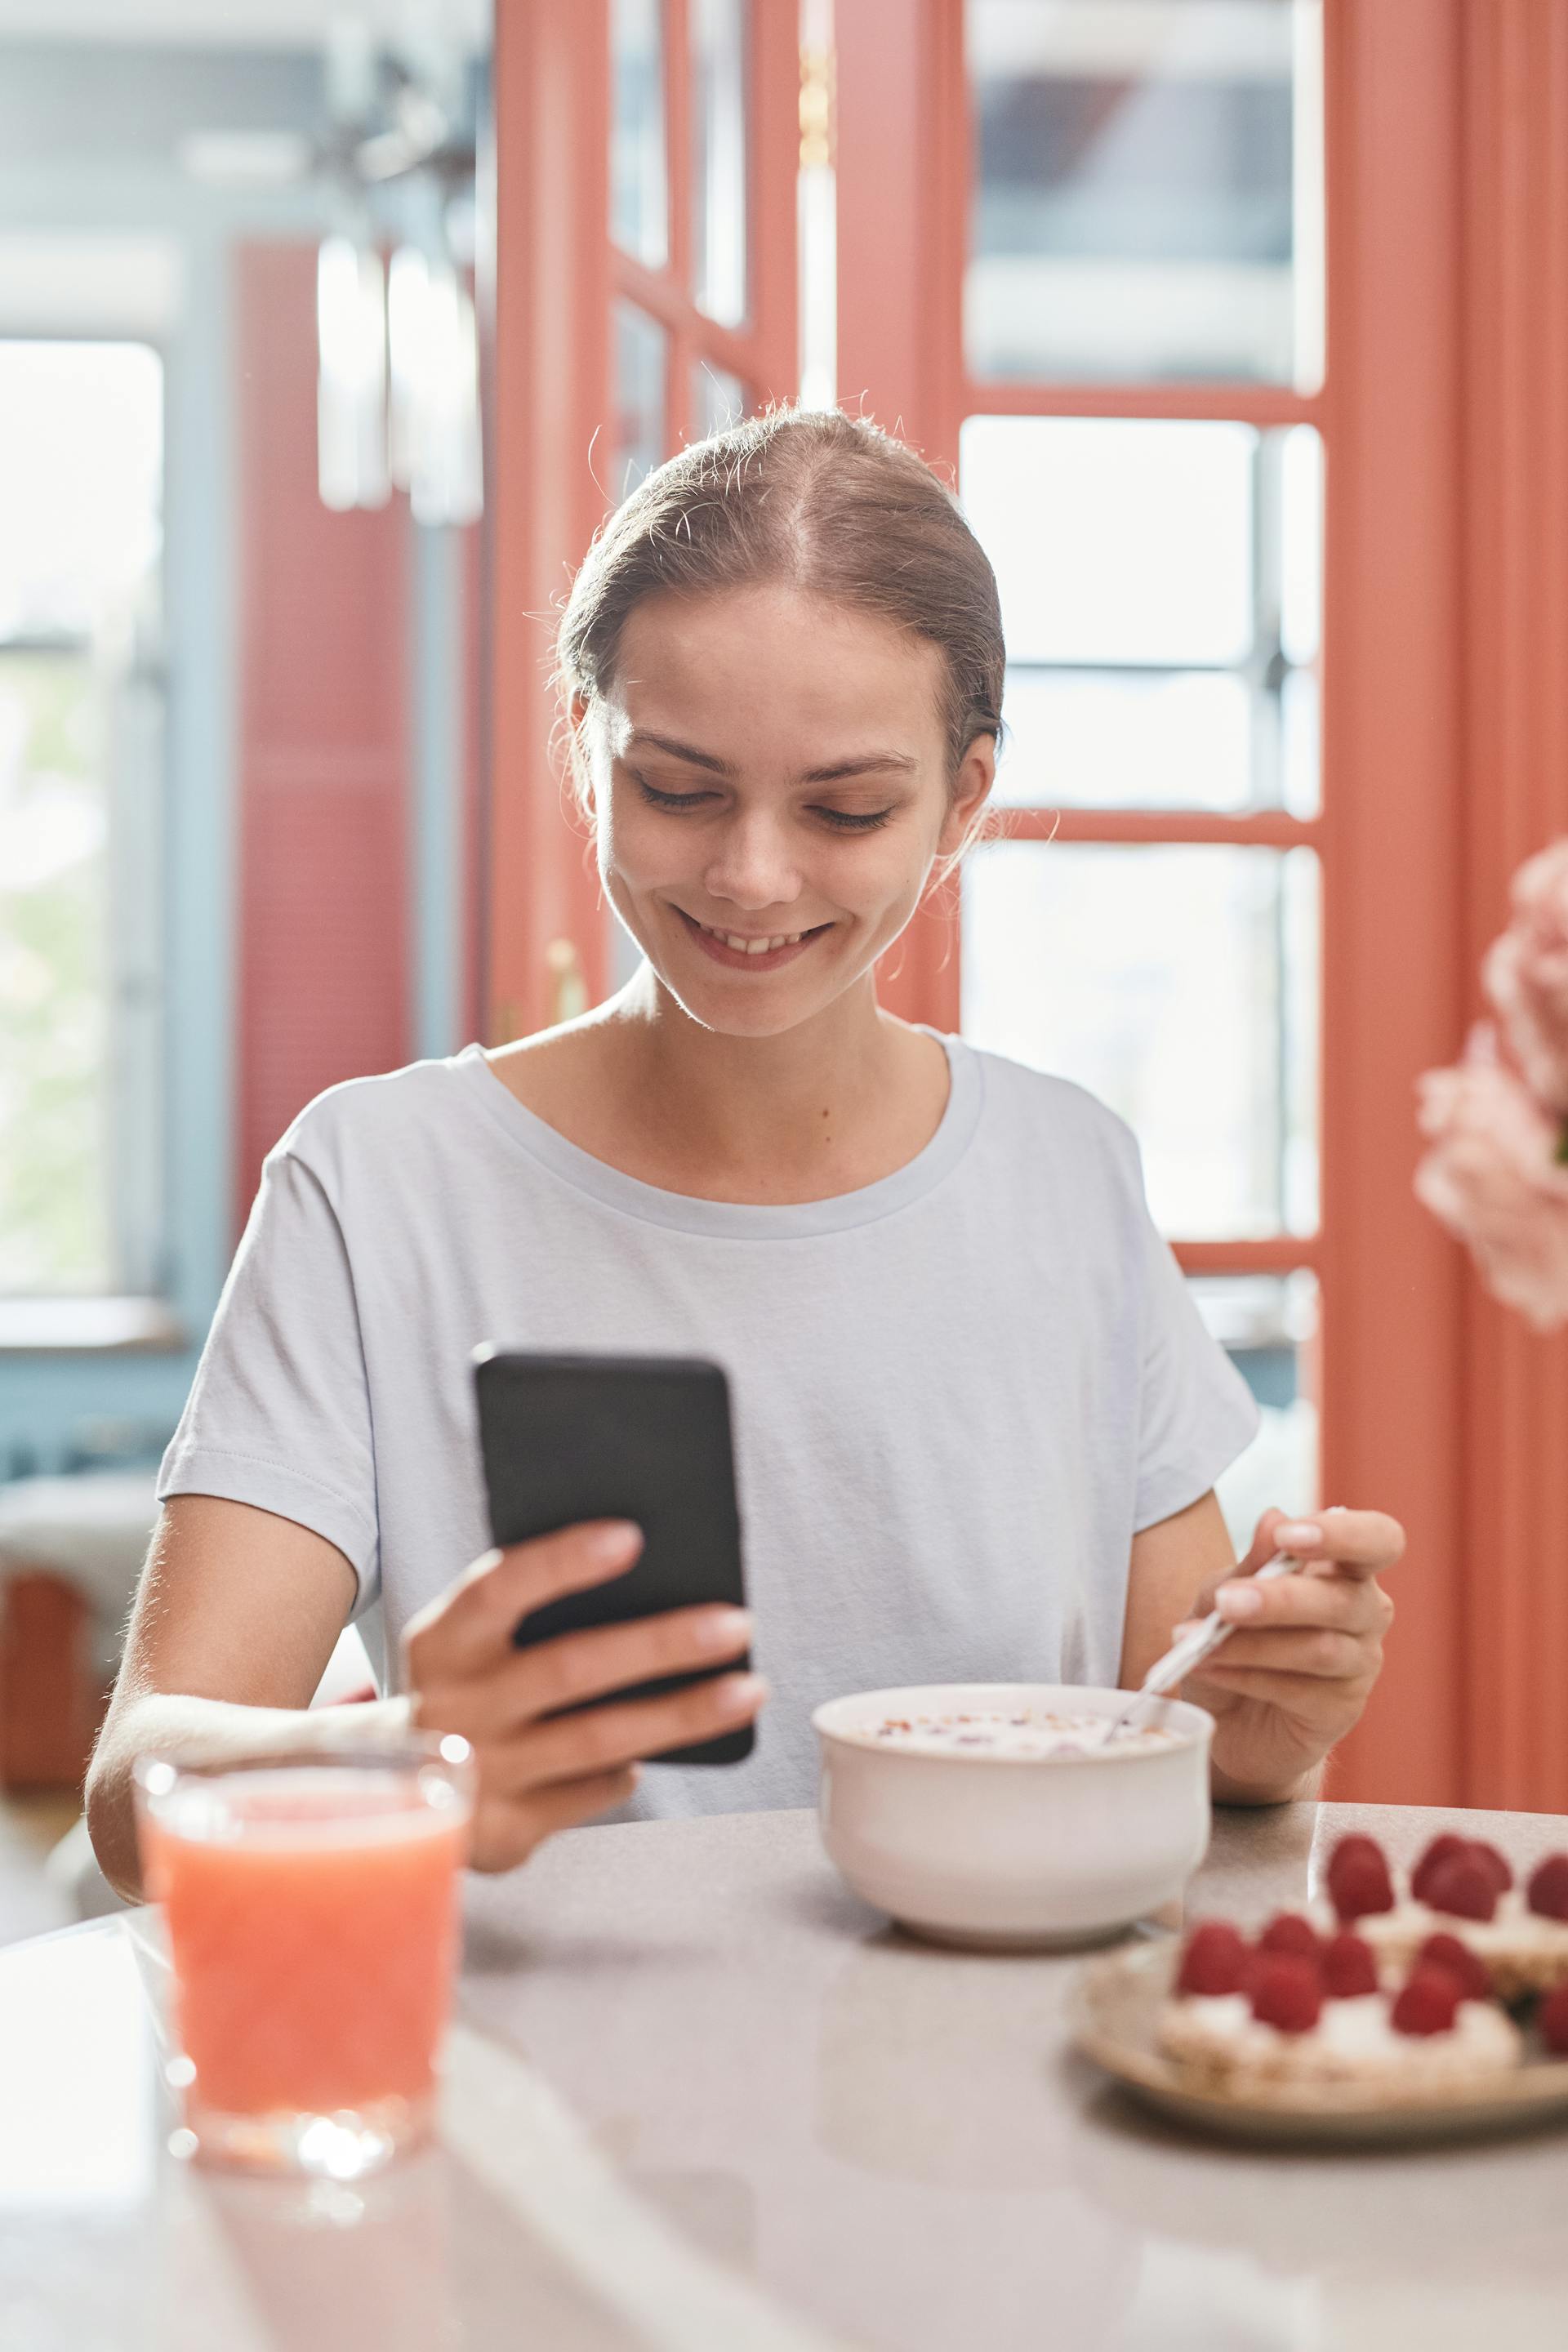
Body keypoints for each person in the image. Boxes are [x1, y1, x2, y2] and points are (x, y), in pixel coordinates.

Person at [87, 410, 1401, 1898]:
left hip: (1002, 2087)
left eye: (846, 807)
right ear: (589, 753)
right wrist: (411, 1754)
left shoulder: (1067, 1173)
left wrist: (1270, 1721)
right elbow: (141, 1794)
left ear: (964, 801)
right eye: (679, 789)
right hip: (549, 2104)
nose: (752, 877)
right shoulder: (378, 1183)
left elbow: (1188, 1730)